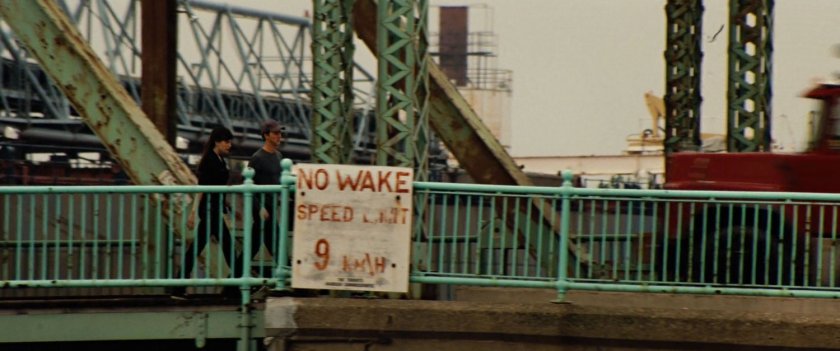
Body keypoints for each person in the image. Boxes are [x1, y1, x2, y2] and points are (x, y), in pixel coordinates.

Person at [172, 127, 238, 298]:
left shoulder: (220, 159)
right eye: (226, 141)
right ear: (217, 141)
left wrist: (228, 207)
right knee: (227, 248)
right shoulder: (210, 160)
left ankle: (179, 286)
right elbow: (202, 188)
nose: (229, 144)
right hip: (209, 211)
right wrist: (194, 212)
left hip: (214, 209)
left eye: (230, 141)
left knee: (197, 249)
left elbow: (218, 188)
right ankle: (237, 285)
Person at [247, 120, 284, 278]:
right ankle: (288, 277)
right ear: (266, 135)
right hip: (262, 210)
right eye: (275, 133)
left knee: (255, 245)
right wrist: (259, 208)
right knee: (277, 245)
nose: (279, 136)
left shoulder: (279, 156)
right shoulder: (257, 158)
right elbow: (249, 186)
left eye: (280, 133)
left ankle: (233, 279)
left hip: (272, 208)